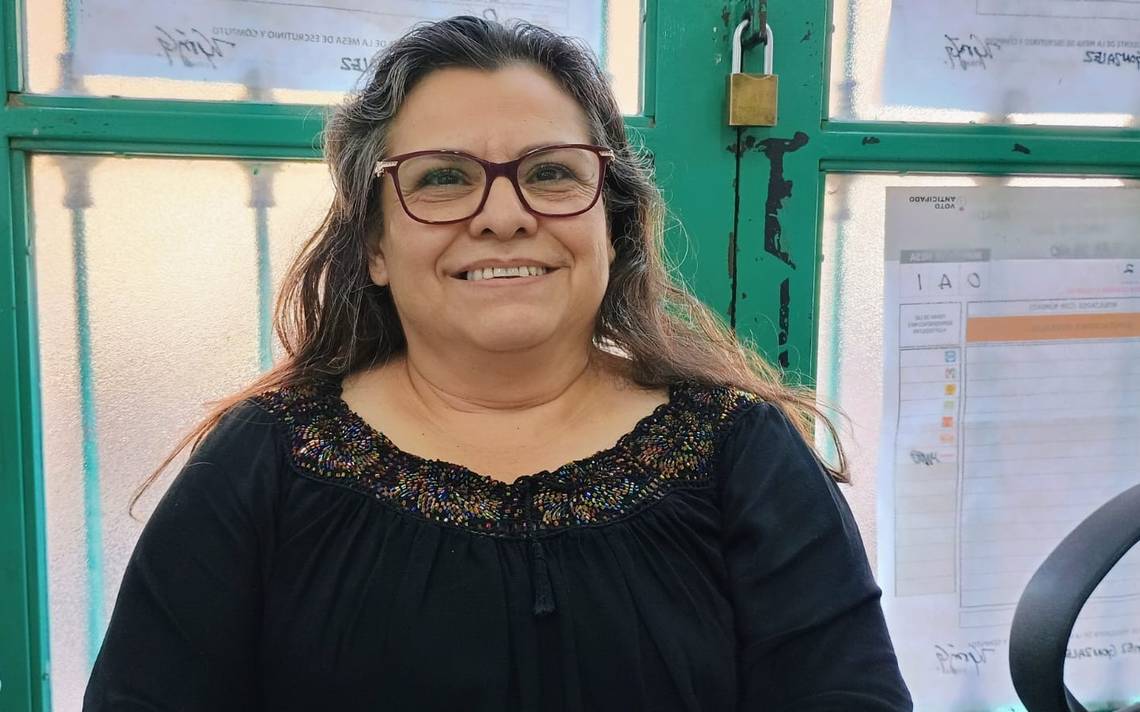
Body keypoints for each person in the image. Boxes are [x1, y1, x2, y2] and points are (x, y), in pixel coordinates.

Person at [83, 16, 911, 712]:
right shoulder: (262, 462)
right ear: (374, 244)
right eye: (443, 179)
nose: (504, 216)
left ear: (613, 225)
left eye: (551, 173)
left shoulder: (742, 454)